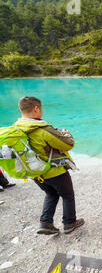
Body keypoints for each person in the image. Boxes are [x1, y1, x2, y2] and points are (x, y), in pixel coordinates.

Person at [13, 96, 84, 235]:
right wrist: (66, 134)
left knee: (51, 193)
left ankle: (46, 223)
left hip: (34, 172)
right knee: (68, 195)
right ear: (36, 108)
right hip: (54, 171)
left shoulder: (16, 129)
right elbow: (68, 144)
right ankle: (69, 223)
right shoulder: (42, 129)